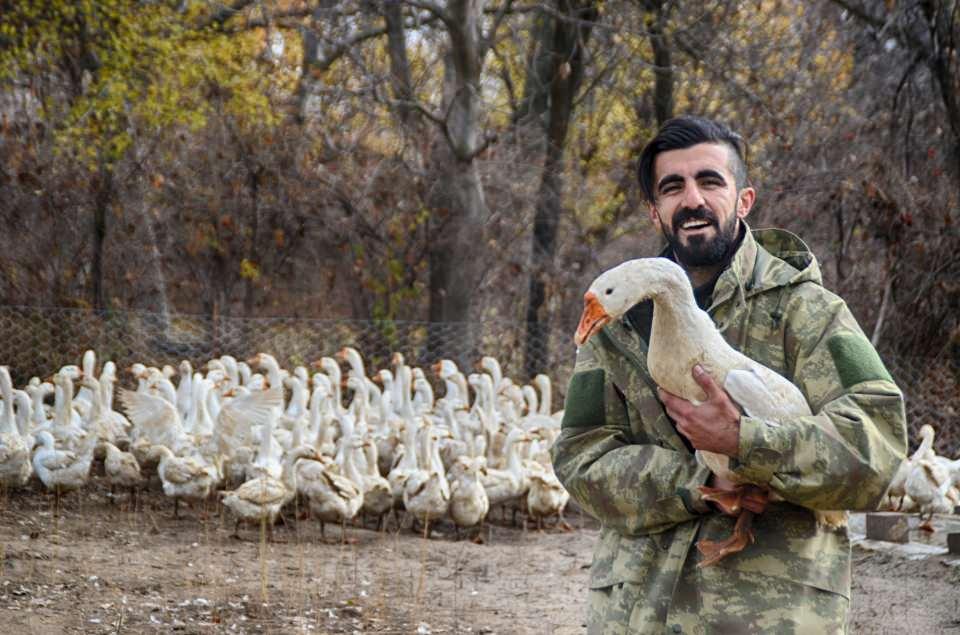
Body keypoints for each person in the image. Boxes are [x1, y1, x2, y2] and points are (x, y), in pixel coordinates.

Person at [551, 115, 907, 633]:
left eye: (710, 181)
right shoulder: (616, 325)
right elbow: (580, 458)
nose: (692, 199)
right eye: (672, 187)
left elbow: (876, 448)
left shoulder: (809, 312)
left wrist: (747, 441)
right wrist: (702, 481)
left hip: (768, 616)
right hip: (638, 615)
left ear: (744, 200)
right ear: (655, 211)